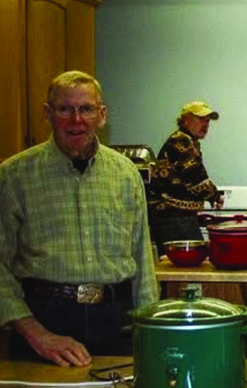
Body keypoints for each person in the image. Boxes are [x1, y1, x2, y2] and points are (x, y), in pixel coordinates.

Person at [0, 70, 159, 367]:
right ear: (48, 114)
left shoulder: (126, 173)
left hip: (116, 321)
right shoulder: (14, 176)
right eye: (65, 109)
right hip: (45, 320)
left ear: (102, 115)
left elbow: (143, 260)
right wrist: (37, 334)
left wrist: (150, 329)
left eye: (86, 109)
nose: (77, 120)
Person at [148, 101, 224, 255]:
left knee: (175, 266)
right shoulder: (181, 141)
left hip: (170, 215)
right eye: (201, 119)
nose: (206, 124)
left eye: (208, 121)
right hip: (174, 215)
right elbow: (195, 175)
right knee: (193, 264)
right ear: (185, 120)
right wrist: (215, 195)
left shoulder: (186, 140)